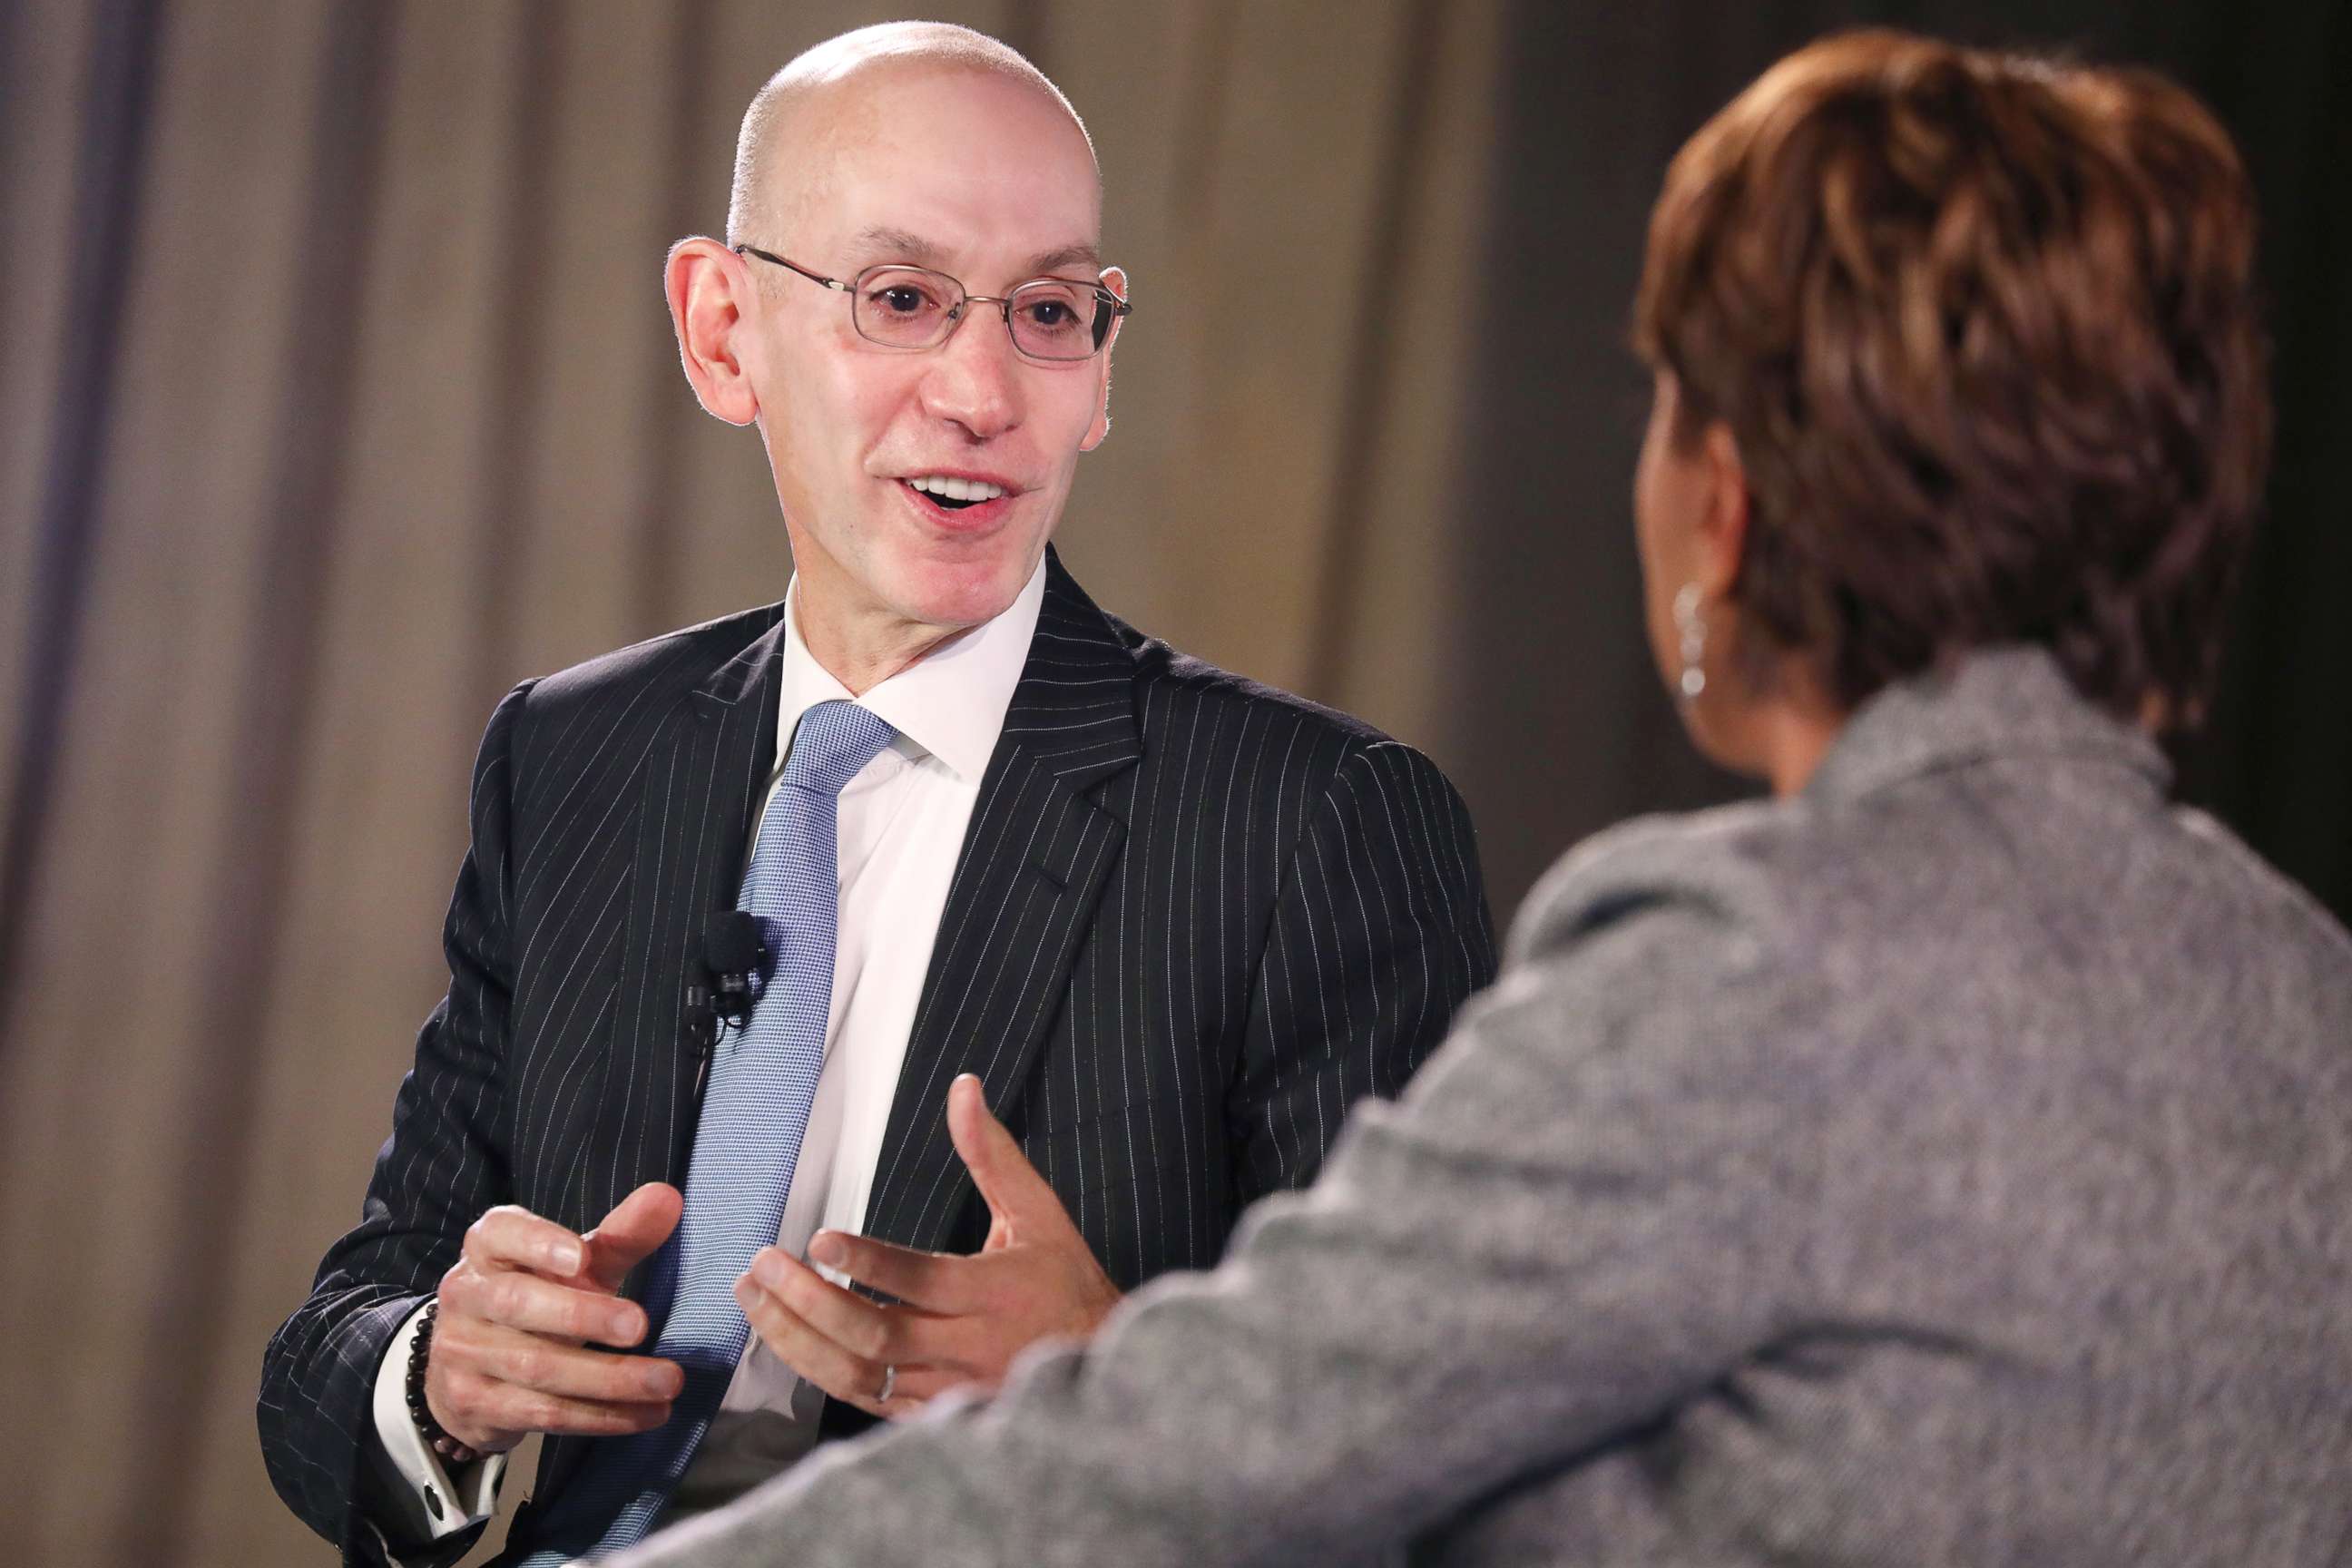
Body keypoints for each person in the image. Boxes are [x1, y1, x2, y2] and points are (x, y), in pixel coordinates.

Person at [608, 28, 2352, 1568]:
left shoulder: (1751, 968)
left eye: (1668, 397)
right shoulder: (2304, 985)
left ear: (1727, 501)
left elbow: (1203, 1463)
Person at [256, 23, 1495, 1568]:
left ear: (1100, 372)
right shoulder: (577, 757)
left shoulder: (1315, 827)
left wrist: (1120, 1388)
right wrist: (441, 1370)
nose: (982, 391)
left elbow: (1442, 1460)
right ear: (723, 333)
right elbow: (337, 1346)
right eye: (902, 299)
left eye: (1049, 312)